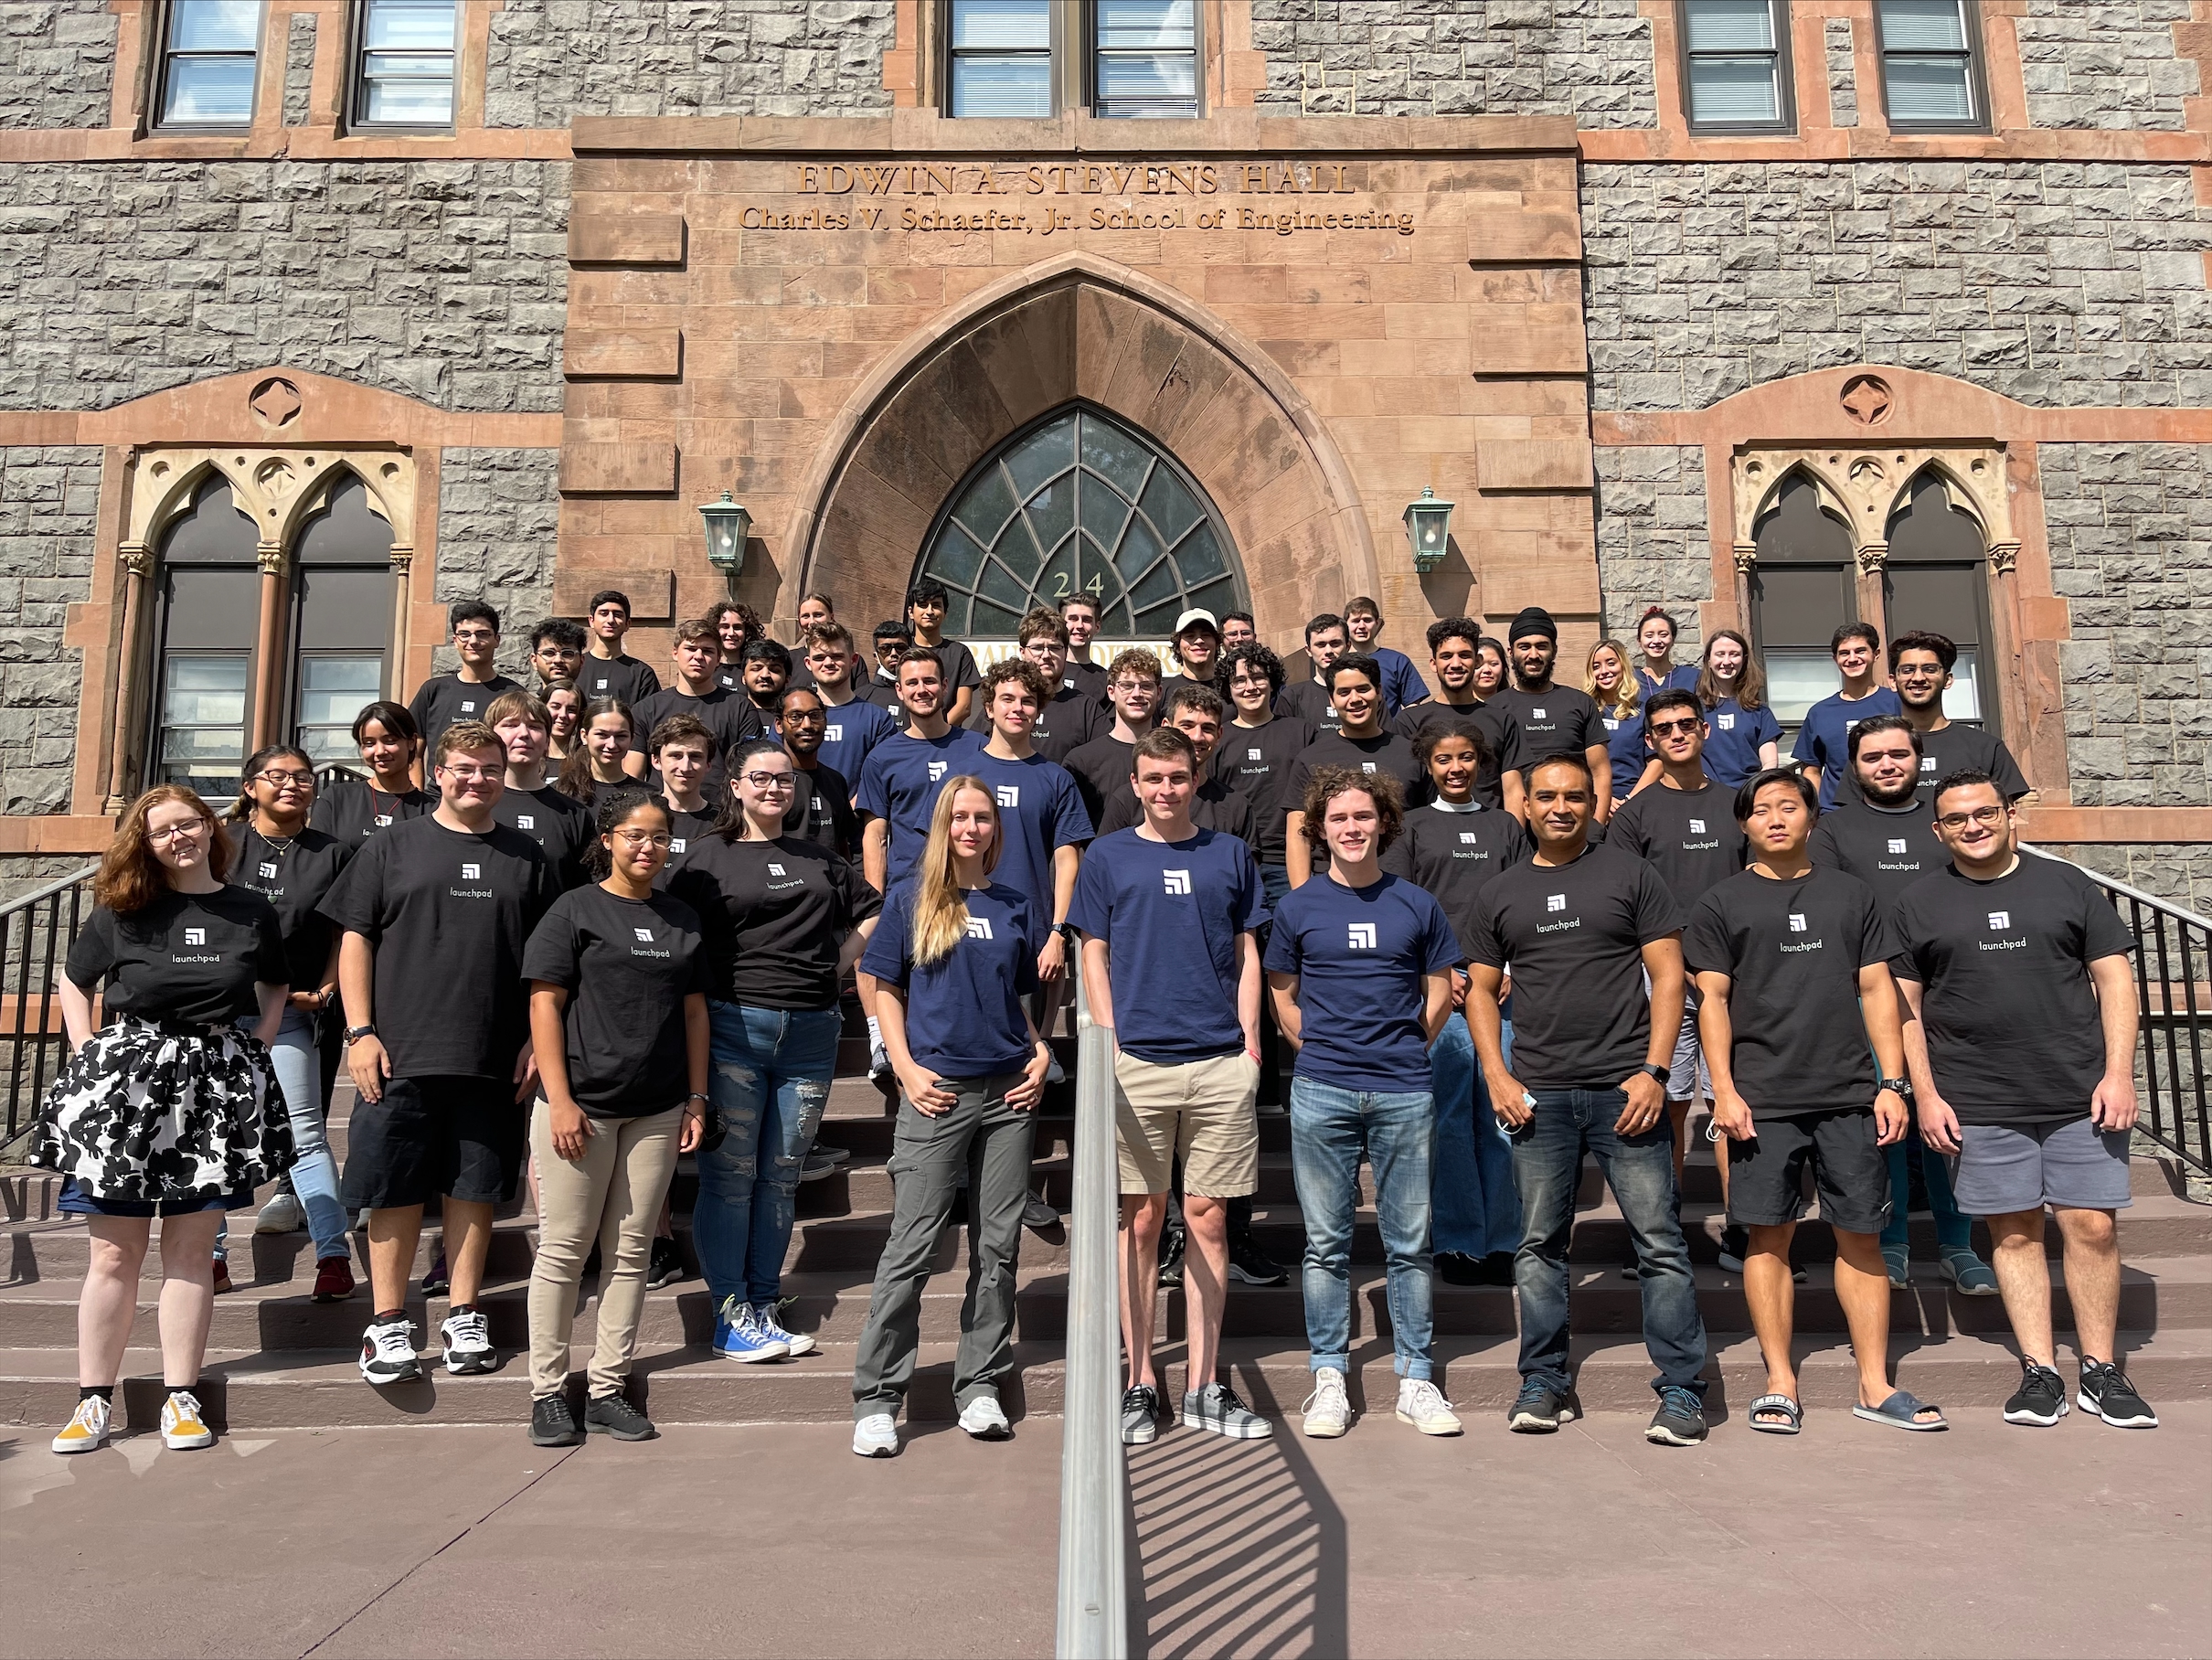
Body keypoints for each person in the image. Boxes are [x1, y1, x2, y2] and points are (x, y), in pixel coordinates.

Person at [1895, 771, 2156, 1431]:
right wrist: (1924, 1093)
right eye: (1957, 820)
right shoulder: (1917, 902)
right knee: (2012, 1233)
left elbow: (2115, 981)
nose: (1973, 826)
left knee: (2091, 1226)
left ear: (2011, 817)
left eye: (1985, 813)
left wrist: (2119, 1074)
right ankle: (2040, 1371)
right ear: (1938, 831)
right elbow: (1905, 1011)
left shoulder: (2065, 884)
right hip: (1977, 1098)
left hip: (2078, 1090)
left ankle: (2100, 1370)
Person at [1688, 768, 1944, 1434]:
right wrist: (1726, 1092)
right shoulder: (1720, 903)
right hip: (1761, 1100)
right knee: (1767, 1238)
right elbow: (1711, 1001)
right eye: (1762, 810)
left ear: (1810, 818)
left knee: (1860, 1233)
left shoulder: (1852, 896)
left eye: (1789, 806)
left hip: (1849, 1095)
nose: (1776, 818)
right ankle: (1780, 1381)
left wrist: (1892, 1083)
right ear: (1743, 824)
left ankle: (1874, 1382)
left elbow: (1877, 990)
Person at [40, 786, 293, 1455]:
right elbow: (75, 979)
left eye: (189, 824)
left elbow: (274, 981)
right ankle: (93, 1399)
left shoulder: (250, 910)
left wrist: (260, 1041)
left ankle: (181, 1398)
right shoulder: (124, 908)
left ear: (211, 828)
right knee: (113, 1254)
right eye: (162, 832)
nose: (179, 837)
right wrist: (85, 1045)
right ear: (144, 844)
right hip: (127, 1083)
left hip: (210, 1083)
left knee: (190, 1252)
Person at [1467, 753, 1710, 1446]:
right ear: (1527, 806)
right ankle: (1543, 1381)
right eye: (1547, 797)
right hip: (1537, 1096)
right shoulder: (1499, 891)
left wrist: (1655, 1072)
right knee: (1539, 1245)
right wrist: (1497, 1073)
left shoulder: (1632, 875)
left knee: (1659, 1243)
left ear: (1590, 803)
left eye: (1575, 796)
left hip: (1623, 1090)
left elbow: (1669, 978)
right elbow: (1481, 990)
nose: (1561, 808)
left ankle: (1684, 1391)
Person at [320, 720, 555, 1386]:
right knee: (391, 1189)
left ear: (503, 774)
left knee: (475, 1191)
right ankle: (388, 1322)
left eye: (488, 768)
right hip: (398, 1052)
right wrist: (360, 1033)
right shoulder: (392, 847)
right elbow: (356, 939)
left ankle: (463, 1312)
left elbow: (548, 964)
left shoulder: (530, 858)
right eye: (462, 768)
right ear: (438, 773)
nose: (475, 779)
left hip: (492, 1056)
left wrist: (537, 1041)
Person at [1071, 728, 1272, 1444]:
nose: (1166, 790)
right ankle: (1139, 1381)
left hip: (1219, 1058)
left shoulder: (1229, 854)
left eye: (1178, 778)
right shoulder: (1108, 856)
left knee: (1209, 1219)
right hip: (1140, 1062)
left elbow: (1250, 948)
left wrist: (1250, 1042)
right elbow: (1092, 950)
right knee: (1142, 1221)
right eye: (1153, 778)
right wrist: (1110, 1034)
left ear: (1196, 779)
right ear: (1134, 782)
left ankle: (1204, 1386)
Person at [851, 780, 1056, 1455]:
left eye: (982, 817)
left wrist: (1039, 1047)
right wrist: (904, 1067)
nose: (971, 827)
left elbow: (1013, 997)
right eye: (960, 817)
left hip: (1008, 1094)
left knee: (997, 1251)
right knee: (911, 1248)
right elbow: (880, 986)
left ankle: (980, 1387)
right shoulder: (913, 897)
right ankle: (879, 1397)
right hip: (937, 1090)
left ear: (996, 827)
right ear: (944, 825)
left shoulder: (1016, 905)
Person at [668, 739, 882, 1362]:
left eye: (784, 781)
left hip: (811, 1031)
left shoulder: (819, 858)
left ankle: (762, 1304)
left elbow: (873, 909)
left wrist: (837, 966)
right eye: (760, 779)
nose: (773, 789)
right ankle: (730, 1314)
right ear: (733, 786)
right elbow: (681, 939)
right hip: (736, 1025)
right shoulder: (707, 858)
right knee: (732, 1178)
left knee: (780, 1179)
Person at [1268, 768, 1462, 1439]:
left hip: (1404, 1090)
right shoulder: (1297, 907)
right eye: (1339, 818)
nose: (1351, 828)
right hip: (1322, 1088)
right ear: (1321, 830)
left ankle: (1416, 1378)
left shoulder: (1415, 903)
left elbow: (1442, 986)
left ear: (1383, 824)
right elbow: (1284, 995)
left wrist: (1413, 1044)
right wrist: (1313, 1052)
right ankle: (1329, 1376)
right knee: (1325, 1244)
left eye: (1363, 817)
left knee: (1409, 1243)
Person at [521, 791, 709, 1448]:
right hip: (582, 1109)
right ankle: (548, 1392)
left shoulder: (682, 916)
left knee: (630, 1254)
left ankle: (607, 1387)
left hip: (656, 1110)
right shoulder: (574, 910)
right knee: (565, 1250)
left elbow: (693, 1013)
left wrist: (696, 1097)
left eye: (660, 838)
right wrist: (562, 1098)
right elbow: (545, 1006)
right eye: (635, 835)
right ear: (608, 838)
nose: (648, 848)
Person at [1810, 715, 1997, 1295]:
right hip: (1868, 1001)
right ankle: (1889, 1244)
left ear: (1918, 759)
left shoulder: (1946, 822)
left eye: (1898, 754)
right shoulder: (1833, 831)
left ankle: (1958, 1244)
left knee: (1950, 1124)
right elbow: (1828, 909)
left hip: (1952, 994)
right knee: (1886, 1126)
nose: (1887, 765)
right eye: (1872, 757)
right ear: (1853, 766)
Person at [1380, 719, 1528, 1288]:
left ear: (1482, 763)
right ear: (1429, 766)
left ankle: (1505, 1239)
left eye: (1467, 757)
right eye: (1445, 759)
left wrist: (1507, 967)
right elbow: (1402, 908)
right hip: (1440, 987)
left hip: (1502, 987)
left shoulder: (1505, 826)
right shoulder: (1412, 828)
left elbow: (1521, 898)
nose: (1457, 768)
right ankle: (1460, 1239)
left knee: (1505, 1111)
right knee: (1447, 1116)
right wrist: (1435, 974)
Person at [1603, 689, 1747, 1268]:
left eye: (1687, 724)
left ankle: (1745, 1230)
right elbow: (1620, 898)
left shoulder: (1740, 804)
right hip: (1660, 982)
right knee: (1667, 1104)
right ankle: (1660, 1235)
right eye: (1664, 729)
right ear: (1651, 742)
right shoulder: (1636, 815)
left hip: (1736, 978)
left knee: (1734, 1103)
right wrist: (1668, 966)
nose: (1677, 734)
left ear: (1706, 730)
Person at [225, 746, 356, 1304]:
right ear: (251, 785)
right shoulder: (221, 844)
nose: (292, 786)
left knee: (305, 1134)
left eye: (302, 778)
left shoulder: (333, 853)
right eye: (276, 777)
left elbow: (342, 932)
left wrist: (326, 988)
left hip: (294, 1015)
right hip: (220, 1014)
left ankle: (333, 1256)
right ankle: (210, 1259)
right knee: (220, 1133)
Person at [968, 659, 1093, 1112]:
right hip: (968, 921)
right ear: (989, 706)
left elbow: (1066, 858)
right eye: (1008, 698)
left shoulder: (1055, 778)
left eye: (1028, 700)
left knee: (1026, 1052)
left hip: (1034, 922)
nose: (1018, 708)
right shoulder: (962, 771)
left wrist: (1060, 931)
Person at [1282, 654, 1424, 889]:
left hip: (1402, 886)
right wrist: (1303, 898)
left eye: (1363, 689)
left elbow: (1428, 826)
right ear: (1331, 699)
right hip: (1332, 888)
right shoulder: (1311, 759)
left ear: (1379, 691)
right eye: (1344, 692)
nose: (1355, 699)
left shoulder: (1411, 754)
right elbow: (1299, 836)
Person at [1217, 643, 1317, 911]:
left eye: (1258, 677)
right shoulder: (1216, 738)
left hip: (1288, 861)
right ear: (1229, 689)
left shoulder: (1302, 732)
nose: (1250, 687)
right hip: (1234, 859)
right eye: (1239, 680)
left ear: (1272, 681)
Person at [1392, 619, 1526, 816]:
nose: (1455, 664)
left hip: (1490, 833)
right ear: (1433, 663)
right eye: (1446, 656)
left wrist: (1512, 837)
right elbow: (1402, 791)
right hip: (1428, 836)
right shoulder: (1409, 721)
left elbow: (1513, 789)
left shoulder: (1502, 720)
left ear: (1477, 661)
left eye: (1464, 655)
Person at [1488, 607, 1613, 817]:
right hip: (1514, 828)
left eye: (1542, 646)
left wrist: (1596, 828)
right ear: (1511, 652)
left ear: (1554, 650)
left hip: (1572, 822)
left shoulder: (1580, 703)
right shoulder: (1493, 708)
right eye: (1524, 647)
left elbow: (1600, 772)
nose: (1533, 655)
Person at [1099, 685, 1253, 844]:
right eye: (1187, 726)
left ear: (1219, 735)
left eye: (1207, 728)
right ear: (1166, 726)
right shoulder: (1127, 800)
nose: (1197, 737)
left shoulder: (1236, 807)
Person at [1890, 630, 2031, 803]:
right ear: (1892, 681)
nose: (1918, 677)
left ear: (1948, 680)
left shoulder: (1985, 748)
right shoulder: (1871, 750)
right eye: (1908, 670)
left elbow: (2004, 822)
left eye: (1929, 669)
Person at [486, 690, 596, 893]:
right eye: (510, 725)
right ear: (491, 735)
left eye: (534, 727)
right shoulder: (475, 806)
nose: (523, 734)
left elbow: (586, 892)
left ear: (547, 740)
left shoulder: (574, 815)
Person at [626, 617, 765, 776]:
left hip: (720, 800)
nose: (698, 656)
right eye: (691, 649)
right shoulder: (647, 709)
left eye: (707, 651)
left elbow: (751, 769)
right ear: (675, 653)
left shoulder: (740, 707)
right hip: (661, 800)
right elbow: (633, 778)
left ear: (718, 659)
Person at [1793, 622, 1904, 811]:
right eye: (1844, 653)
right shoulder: (1819, 712)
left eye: (1860, 651)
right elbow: (1811, 769)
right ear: (1835, 658)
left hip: (1891, 808)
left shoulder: (1897, 703)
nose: (1852, 659)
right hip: (1834, 812)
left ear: (1876, 655)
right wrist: (1812, 812)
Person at [408, 601, 523, 760]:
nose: (473, 641)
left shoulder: (513, 694)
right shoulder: (433, 691)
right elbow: (413, 755)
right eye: (465, 634)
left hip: (494, 784)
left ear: (497, 640)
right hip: (439, 785)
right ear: (455, 641)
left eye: (482, 634)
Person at [313, 701, 434, 846]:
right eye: (369, 743)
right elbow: (317, 861)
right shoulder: (336, 799)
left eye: (390, 741)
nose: (380, 751)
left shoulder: (432, 811)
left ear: (411, 742)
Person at [1064, 647, 1162, 827]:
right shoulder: (1081, 761)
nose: (1137, 693)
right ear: (1111, 692)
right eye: (1127, 686)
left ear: (1159, 692)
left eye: (1146, 686)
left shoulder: (1171, 759)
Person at [804, 622, 897, 787]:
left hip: (856, 812)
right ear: (808, 663)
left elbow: (881, 777)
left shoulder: (878, 719)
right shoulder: (791, 716)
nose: (828, 663)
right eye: (819, 658)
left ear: (853, 660)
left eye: (837, 656)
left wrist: (849, 808)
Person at [1012, 607, 1107, 763]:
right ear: (1022, 652)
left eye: (1055, 648)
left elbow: (1104, 762)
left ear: (1065, 651)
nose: (1046, 655)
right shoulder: (1005, 703)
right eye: (1037, 648)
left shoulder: (1086, 708)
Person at [1693, 628, 1781, 789]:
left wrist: (1754, 791)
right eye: (1720, 654)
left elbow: (1770, 763)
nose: (1727, 662)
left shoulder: (1759, 711)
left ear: (1744, 660)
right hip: (1705, 794)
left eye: (1734, 654)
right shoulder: (1694, 709)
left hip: (1747, 796)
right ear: (1708, 660)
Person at [780, 686, 860, 858]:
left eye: (815, 715)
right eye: (796, 717)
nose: (807, 725)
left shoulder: (836, 781)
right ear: (779, 724)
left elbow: (843, 845)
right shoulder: (769, 783)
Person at [906, 580, 982, 729]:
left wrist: (936, 731)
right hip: (905, 737)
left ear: (945, 613)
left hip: (948, 740)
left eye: (936, 605)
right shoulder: (901, 651)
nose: (929, 611)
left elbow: (964, 706)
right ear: (910, 612)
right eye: (923, 605)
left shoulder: (960, 653)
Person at [647, 714, 724, 860]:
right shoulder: (639, 817)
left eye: (695, 756)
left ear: (708, 764)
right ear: (656, 761)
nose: (685, 767)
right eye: (676, 756)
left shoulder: (725, 823)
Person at [1587, 638, 1650, 804]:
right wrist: (1602, 799)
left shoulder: (1643, 710)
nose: (1604, 671)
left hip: (1635, 800)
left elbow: (1656, 761)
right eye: (1596, 666)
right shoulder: (1585, 711)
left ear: (1623, 665)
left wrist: (1630, 799)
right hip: (1594, 801)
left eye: (1611, 663)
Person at [1343, 595, 1429, 717]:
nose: (1361, 626)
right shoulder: (1338, 663)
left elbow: (1413, 706)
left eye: (1367, 620)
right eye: (1356, 621)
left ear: (1377, 623)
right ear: (1346, 625)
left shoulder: (1397, 661)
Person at [579, 588, 663, 707]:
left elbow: (650, 719)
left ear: (627, 624)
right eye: (604, 613)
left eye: (617, 615)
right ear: (591, 621)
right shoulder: (574, 666)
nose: (611, 620)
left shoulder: (641, 674)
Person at [555, 697, 639, 809]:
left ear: (632, 739)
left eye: (621, 736)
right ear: (584, 736)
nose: (611, 744)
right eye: (602, 735)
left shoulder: (646, 796)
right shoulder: (561, 793)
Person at [1276, 613, 1348, 731]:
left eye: (1335, 644)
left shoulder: (1364, 693)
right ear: (1308, 650)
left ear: (1348, 646)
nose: (1328, 651)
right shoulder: (1292, 697)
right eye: (1321, 645)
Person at [1632, 608, 1701, 699]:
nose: (1656, 641)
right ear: (1639, 641)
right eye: (1649, 636)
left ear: (1673, 639)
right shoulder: (1630, 680)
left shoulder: (1693, 677)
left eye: (1663, 635)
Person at [1161, 608, 1224, 698]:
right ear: (1178, 646)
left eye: (1206, 635)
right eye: (1190, 636)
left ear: (1217, 643)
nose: (1199, 641)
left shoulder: (1233, 690)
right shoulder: (1163, 693)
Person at [1058, 594, 1108, 702]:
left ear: (1097, 627)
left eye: (1087, 620)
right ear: (1061, 624)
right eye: (1073, 618)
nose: (1080, 625)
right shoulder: (1046, 671)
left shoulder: (1105, 680)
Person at [862, 621, 913, 722]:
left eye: (900, 648)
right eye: (885, 648)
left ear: (910, 651)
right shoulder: (862, 697)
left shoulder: (921, 693)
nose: (893, 653)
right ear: (876, 657)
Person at [707, 600, 761, 693]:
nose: (731, 633)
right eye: (725, 626)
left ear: (746, 631)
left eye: (737, 627)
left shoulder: (756, 668)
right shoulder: (706, 666)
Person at [741, 637, 793, 729]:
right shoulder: (733, 714)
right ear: (744, 678)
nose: (765, 675)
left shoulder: (795, 716)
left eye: (774, 670)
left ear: (787, 679)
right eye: (756, 669)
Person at [528, 618, 587, 693]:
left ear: (581, 661)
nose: (558, 660)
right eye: (549, 653)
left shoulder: (594, 704)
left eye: (567, 654)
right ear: (534, 661)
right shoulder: (524, 705)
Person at [542, 679, 585, 764]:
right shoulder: (528, 758)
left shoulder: (588, 763)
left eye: (571, 710)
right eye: (555, 707)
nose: (563, 715)